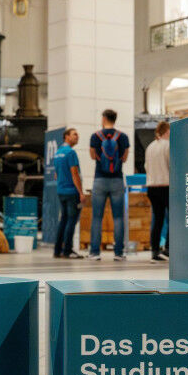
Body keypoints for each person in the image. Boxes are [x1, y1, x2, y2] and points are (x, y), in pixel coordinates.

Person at [88, 109, 130, 261]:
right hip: (117, 180)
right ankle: (118, 253)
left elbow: (93, 156)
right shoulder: (123, 137)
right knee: (118, 217)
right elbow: (124, 158)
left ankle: (94, 252)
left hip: (99, 180)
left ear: (104, 118)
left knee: (97, 217)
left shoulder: (95, 136)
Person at [53, 128, 85, 259]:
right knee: (71, 221)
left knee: (64, 220)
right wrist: (81, 192)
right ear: (66, 136)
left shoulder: (58, 153)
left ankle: (57, 250)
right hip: (72, 192)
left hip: (61, 191)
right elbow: (74, 173)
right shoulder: (71, 153)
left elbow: (56, 175)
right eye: (74, 134)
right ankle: (67, 250)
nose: (77, 136)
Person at [145, 121, 170, 263]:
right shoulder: (168, 145)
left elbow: (146, 166)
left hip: (152, 187)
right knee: (172, 219)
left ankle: (154, 251)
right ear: (167, 131)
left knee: (157, 220)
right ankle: (168, 249)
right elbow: (172, 165)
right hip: (166, 186)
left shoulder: (150, 146)